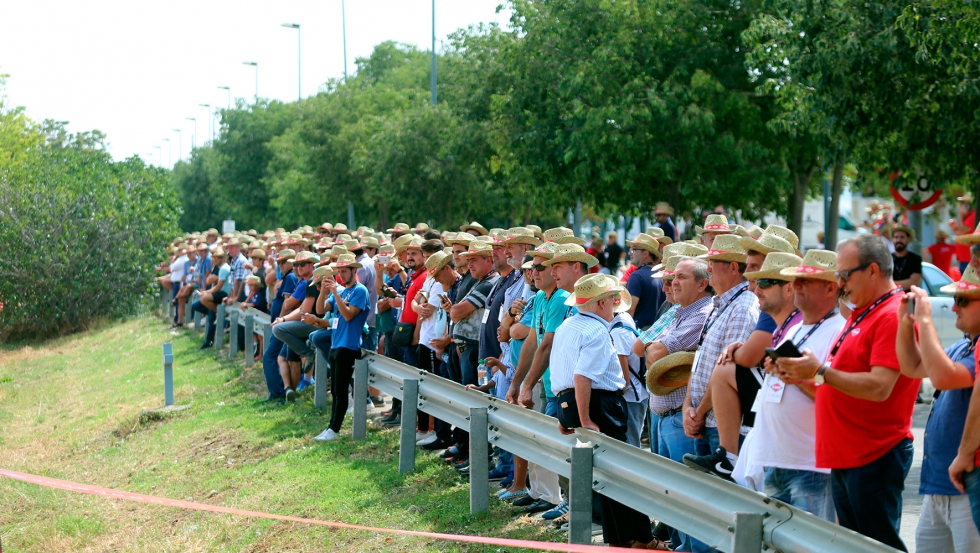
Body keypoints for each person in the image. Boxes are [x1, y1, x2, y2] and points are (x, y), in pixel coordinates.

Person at [776, 233, 919, 551]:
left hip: (873, 452)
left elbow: (880, 387)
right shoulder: (863, 311)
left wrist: (819, 371)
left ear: (872, 271)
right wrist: (802, 375)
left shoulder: (890, 315)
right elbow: (839, 381)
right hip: (849, 454)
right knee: (855, 547)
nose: (839, 283)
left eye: (844, 274)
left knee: (877, 546)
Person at [550, 274, 659, 549]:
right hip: (598, 404)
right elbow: (582, 376)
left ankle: (621, 540)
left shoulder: (567, 326)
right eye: (612, 300)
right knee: (623, 475)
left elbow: (561, 372)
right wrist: (585, 418)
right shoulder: (597, 330)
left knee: (608, 476)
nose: (615, 305)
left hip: (572, 401)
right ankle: (639, 539)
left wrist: (569, 415)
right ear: (600, 303)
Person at [740, 250, 846, 521]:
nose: (795, 286)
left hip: (809, 464)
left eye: (804, 282)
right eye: (794, 280)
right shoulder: (796, 329)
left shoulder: (839, 331)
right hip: (778, 459)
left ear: (830, 288)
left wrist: (798, 378)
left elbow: (838, 394)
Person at [898, 269, 980, 552]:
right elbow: (912, 367)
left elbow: (944, 377)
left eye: (963, 299)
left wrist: (925, 318)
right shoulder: (962, 345)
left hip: (966, 487)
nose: (954, 306)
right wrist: (905, 324)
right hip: (937, 487)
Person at [683, 234, 760, 478]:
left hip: (719, 424)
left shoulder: (743, 307)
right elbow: (700, 361)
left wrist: (699, 411)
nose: (708, 269)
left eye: (714, 263)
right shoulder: (721, 304)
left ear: (734, 268)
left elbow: (727, 368)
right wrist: (689, 407)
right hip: (705, 419)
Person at [313, 254, 370, 442]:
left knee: (341, 390)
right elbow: (320, 310)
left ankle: (334, 429)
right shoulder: (342, 291)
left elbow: (347, 316)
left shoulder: (360, 291)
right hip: (336, 344)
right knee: (336, 391)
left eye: (344, 271)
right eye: (339, 272)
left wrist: (335, 294)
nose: (341, 275)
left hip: (349, 346)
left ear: (354, 270)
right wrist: (323, 290)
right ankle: (331, 427)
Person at [625, 233, 666, 330]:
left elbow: (629, 311)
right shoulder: (662, 275)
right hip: (658, 332)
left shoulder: (637, 276)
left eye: (634, 249)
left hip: (640, 334)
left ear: (645, 253)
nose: (630, 253)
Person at [891, 225, 922, 292]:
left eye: (902, 237)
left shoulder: (915, 259)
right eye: (896, 237)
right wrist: (907, 282)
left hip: (909, 299)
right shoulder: (887, 258)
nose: (898, 240)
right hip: (890, 299)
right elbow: (881, 282)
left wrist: (890, 284)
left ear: (908, 239)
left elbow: (914, 282)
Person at [952, 194, 976, 274]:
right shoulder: (967, 217)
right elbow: (961, 233)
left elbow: (962, 230)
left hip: (969, 259)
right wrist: (955, 228)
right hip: (964, 259)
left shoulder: (973, 215)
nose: (961, 206)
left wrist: (960, 215)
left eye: (963, 203)